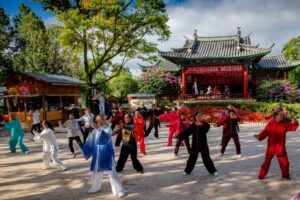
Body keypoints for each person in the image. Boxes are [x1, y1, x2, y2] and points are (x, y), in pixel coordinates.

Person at [74, 115, 125, 197]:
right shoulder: (94, 131)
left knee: (112, 173)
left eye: (101, 120)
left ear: (104, 120)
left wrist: (97, 129)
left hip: (106, 155)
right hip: (97, 155)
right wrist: (79, 151)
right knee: (95, 172)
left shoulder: (108, 129)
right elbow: (89, 144)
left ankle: (119, 190)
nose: (100, 122)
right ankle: (95, 188)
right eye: (98, 121)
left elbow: (104, 139)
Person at [254, 109, 298, 180]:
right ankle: (261, 175)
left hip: (281, 147)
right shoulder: (271, 124)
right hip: (271, 147)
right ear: (275, 116)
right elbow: (265, 132)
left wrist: (295, 122)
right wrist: (259, 137)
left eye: (282, 114)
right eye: (280, 115)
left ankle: (285, 175)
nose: (282, 116)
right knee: (266, 162)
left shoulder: (285, 123)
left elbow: (292, 127)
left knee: (285, 162)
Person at [176, 112, 218, 176]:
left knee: (207, 159)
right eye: (198, 116)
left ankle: (213, 171)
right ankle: (187, 171)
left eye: (200, 115)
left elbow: (207, 128)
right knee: (192, 159)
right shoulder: (193, 125)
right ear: (195, 117)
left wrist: (202, 124)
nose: (199, 117)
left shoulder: (205, 124)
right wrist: (178, 136)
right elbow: (186, 132)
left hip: (204, 144)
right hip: (195, 145)